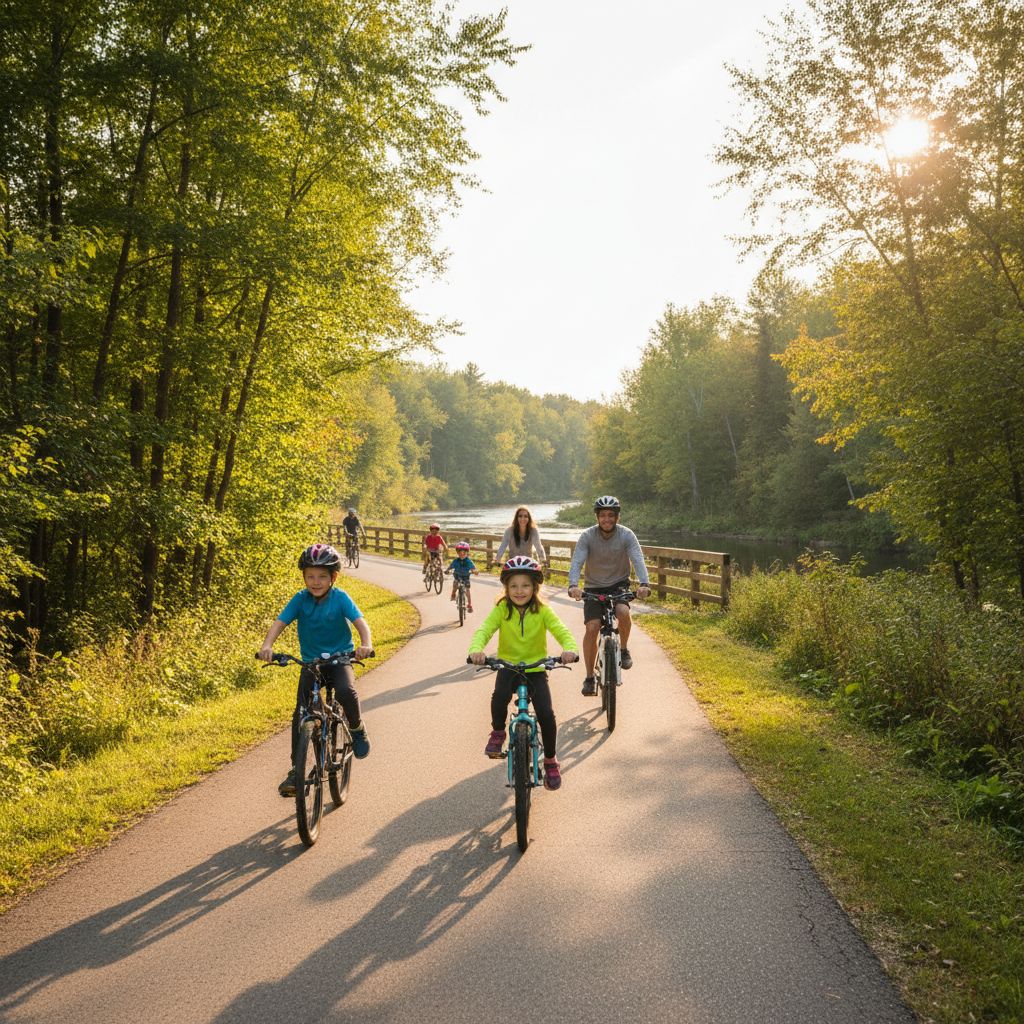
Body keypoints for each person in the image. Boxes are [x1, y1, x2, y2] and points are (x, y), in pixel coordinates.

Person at [258, 543, 373, 797]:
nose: (316, 582)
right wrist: (267, 646)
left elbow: (361, 623)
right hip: (311, 663)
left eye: (322, 576)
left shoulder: (340, 597)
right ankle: (295, 769)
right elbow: (280, 623)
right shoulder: (300, 600)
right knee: (302, 713)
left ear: (333, 577)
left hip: (340, 658)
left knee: (345, 690)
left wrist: (366, 645)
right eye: (310, 576)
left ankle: (356, 727)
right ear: (304, 578)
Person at [468, 556, 578, 791]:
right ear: (506, 588)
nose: (519, 591)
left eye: (525, 585)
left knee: (546, 714)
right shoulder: (502, 610)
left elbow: (561, 630)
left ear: (535, 588)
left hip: (536, 669)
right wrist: (476, 650)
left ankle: (550, 760)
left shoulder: (543, 611)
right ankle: (498, 732)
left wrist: (570, 649)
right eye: (514, 586)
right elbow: (484, 630)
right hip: (508, 666)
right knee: (499, 697)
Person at [567, 495, 651, 696]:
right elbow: (577, 561)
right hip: (593, 587)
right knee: (592, 627)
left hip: (619, 584)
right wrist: (573, 586)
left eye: (611, 515)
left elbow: (637, 559)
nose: (607, 519)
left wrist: (644, 584)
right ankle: (589, 677)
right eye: (603, 515)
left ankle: (623, 649)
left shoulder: (627, 535)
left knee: (622, 611)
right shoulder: (587, 536)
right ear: (597, 517)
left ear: (617, 517)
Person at [445, 540, 480, 611]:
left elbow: (473, 567)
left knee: (467, 590)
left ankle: (469, 604)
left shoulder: (468, 561)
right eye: (460, 553)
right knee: (455, 585)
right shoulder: (456, 560)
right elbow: (451, 566)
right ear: (457, 553)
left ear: (467, 553)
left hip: (466, 577)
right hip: (457, 576)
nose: (462, 555)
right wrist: (448, 570)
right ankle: (453, 594)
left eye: (464, 553)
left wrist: (475, 571)